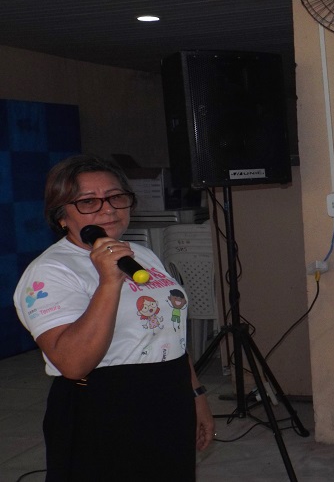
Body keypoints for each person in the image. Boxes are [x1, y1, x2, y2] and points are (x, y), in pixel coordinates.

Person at [13, 154, 215, 480]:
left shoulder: (142, 256)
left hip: (168, 395)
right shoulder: (50, 271)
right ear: (62, 216)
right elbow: (73, 362)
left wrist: (196, 394)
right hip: (101, 405)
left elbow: (166, 332)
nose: (108, 209)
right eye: (88, 202)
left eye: (116, 197)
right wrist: (109, 282)